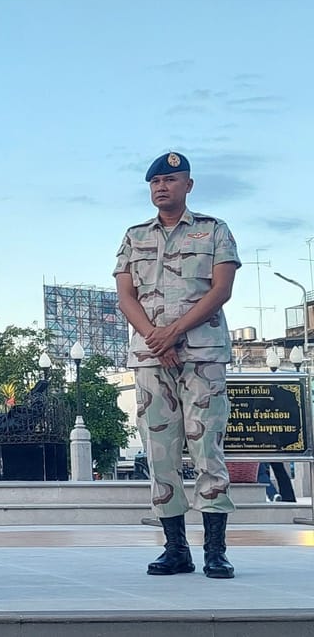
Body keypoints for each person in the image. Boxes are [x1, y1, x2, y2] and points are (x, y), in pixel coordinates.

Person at [113, 152, 239, 580]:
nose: (161, 187)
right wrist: (156, 337)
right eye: (155, 182)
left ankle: (216, 551)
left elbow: (221, 290)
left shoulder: (214, 230)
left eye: (170, 180)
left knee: (207, 450)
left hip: (202, 355)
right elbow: (126, 296)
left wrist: (174, 333)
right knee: (159, 451)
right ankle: (175, 549)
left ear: (188, 185)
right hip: (152, 358)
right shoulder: (134, 236)